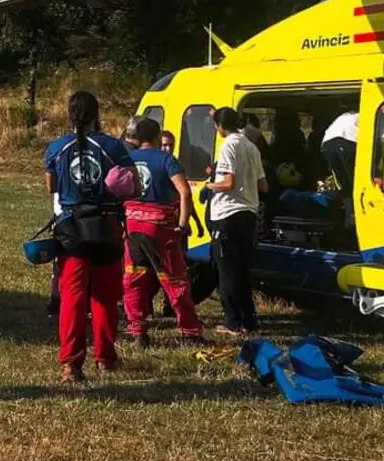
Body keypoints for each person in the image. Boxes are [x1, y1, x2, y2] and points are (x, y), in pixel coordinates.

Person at [45, 91, 138, 381]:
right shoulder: (113, 146)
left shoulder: (56, 148)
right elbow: (133, 185)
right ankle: (105, 358)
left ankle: (70, 364)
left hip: (71, 227)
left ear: (69, 114)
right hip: (106, 226)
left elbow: (51, 186)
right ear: (97, 114)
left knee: (72, 298)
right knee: (105, 297)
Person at [122, 118, 204, 346]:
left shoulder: (127, 158)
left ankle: (138, 332)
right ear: (158, 136)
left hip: (132, 226)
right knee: (175, 280)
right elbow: (184, 192)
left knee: (134, 279)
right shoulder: (166, 159)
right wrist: (183, 223)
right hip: (159, 226)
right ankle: (190, 332)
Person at [204, 106, 267, 338]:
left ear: (221, 126)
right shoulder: (251, 147)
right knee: (242, 270)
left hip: (227, 215)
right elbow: (263, 185)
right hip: (248, 214)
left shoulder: (228, 146)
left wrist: (209, 185)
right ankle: (249, 320)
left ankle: (232, 322)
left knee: (227, 271)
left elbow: (228, 183)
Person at [320, 109, 358, 229]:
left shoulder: (345, 116)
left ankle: (348, 218)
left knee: (342, 184)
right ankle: (354, 219)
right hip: (347, 141)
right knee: (356, 183)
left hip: (327, 144)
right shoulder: (364, 115)